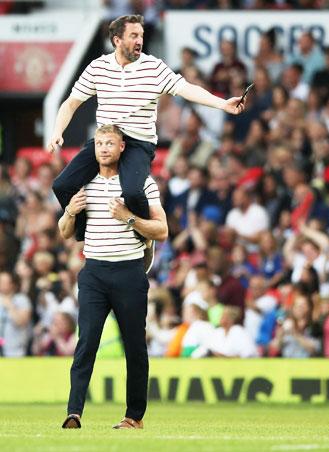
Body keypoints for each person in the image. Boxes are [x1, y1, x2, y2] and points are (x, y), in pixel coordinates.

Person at [47, 14, 244, 269]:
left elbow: (186, 89)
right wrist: (57, 131)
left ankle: (145, 240)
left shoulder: (153, 67)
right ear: (117, 40)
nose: (140, 40)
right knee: (62, 185)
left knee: (131, 191)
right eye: (133, 36)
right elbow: (71, 102)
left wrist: (221, 103)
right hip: (105, 139)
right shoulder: (98, 67)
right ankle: (87, 235)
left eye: (141, 35)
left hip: (138, 142)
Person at [58, 125, 168, 430]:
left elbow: (162, 230)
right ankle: (74, 412)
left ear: (122, 148)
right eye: (100, 143)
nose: (104, 148)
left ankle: (134, 417)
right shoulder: (84, 185)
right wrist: (68, 212)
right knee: (87, 342)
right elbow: (66, 233)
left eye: (110, 143)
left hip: (129, 271)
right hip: (93, 271)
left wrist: (129, 218)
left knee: (134, 346)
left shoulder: (141, 184)